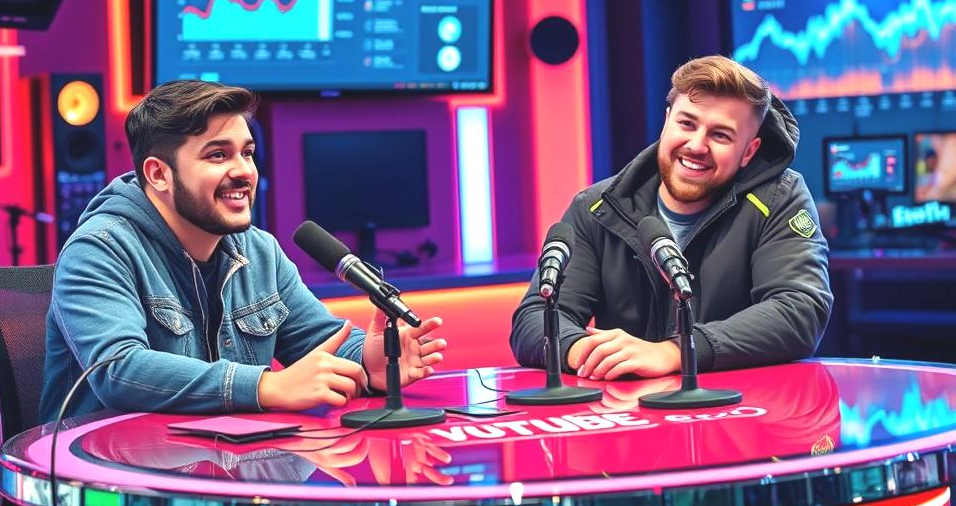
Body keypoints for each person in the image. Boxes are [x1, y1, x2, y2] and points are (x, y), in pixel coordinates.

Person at [41, 80, 445, 421]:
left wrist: (370, 362)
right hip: (113, 479)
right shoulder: (99, 249)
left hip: (230, 468)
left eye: (247, 153)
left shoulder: (259, 251)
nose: (243, 171)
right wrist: (266, 387)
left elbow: (321, 341)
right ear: (159, 174)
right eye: (218, 155)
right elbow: (117, 370)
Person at [510, 55, 832, 380]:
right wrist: (584, 351)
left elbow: (800, 311)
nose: (696, 145)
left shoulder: (779, 198)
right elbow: (533, 319)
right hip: (628, 406)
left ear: (749, 150)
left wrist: (676, 352)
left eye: (721, 135)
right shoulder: (595, 207)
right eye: (687, 124)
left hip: (744, 403)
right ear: (667, 121)